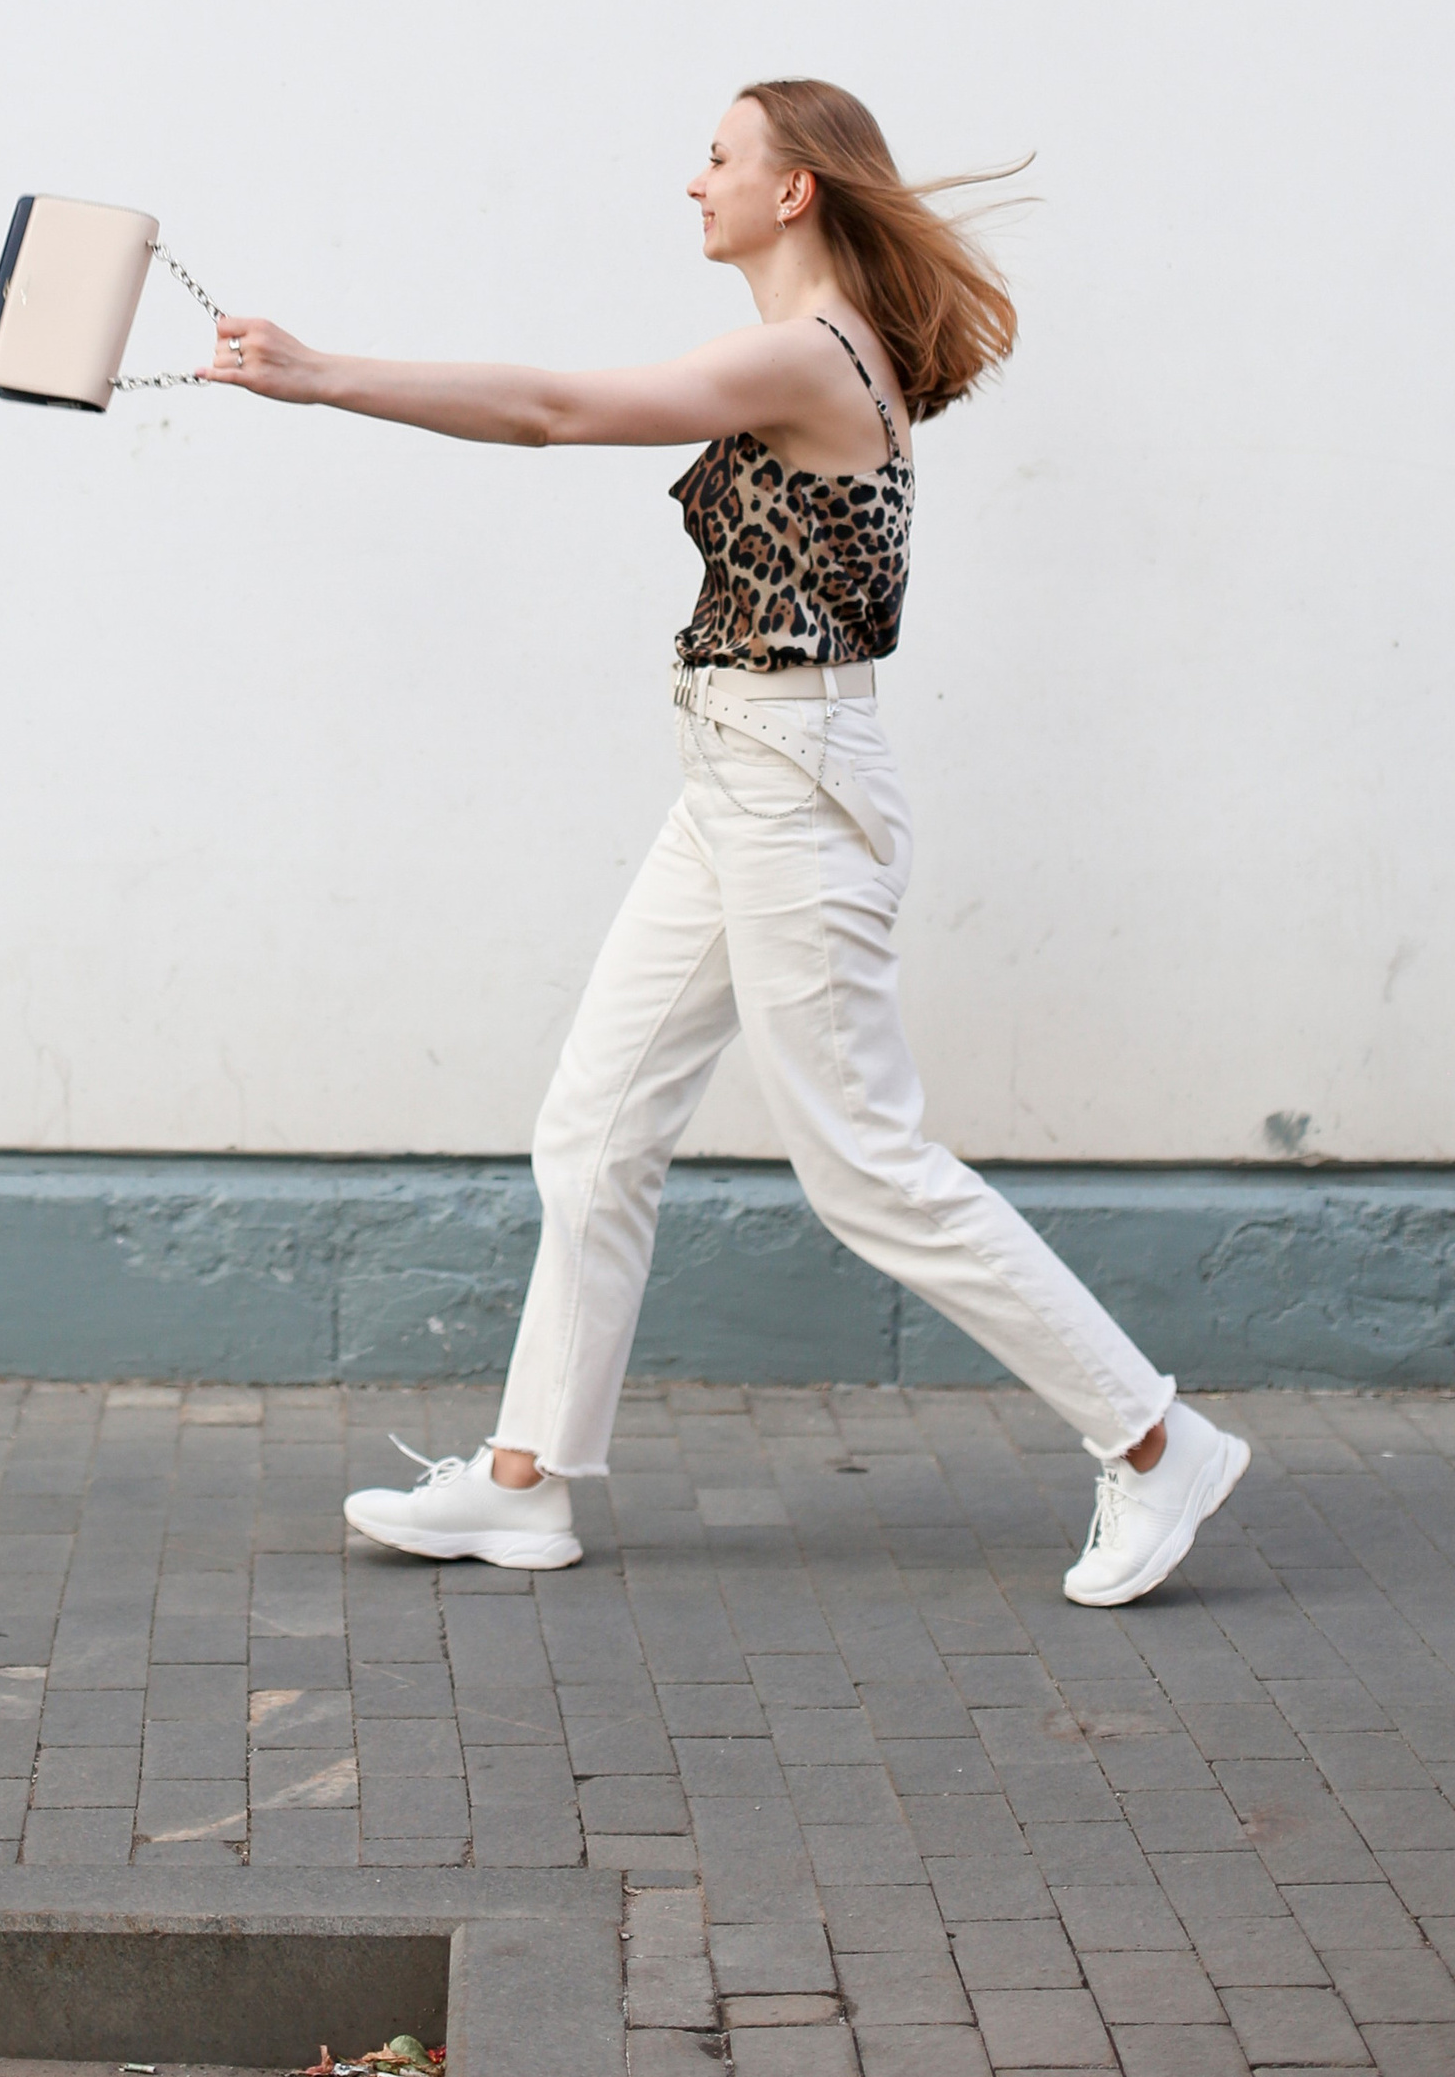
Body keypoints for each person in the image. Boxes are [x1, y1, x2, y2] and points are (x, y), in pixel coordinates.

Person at [202, 78, 1247, 1611]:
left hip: (792, 788)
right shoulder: (825, 350)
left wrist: (323, 373)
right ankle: (525, 1484)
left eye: (717, 157)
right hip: (739, 771)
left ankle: (1156, 1442)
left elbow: (553, 411)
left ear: (795, 189)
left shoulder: (805, 355)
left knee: (869, 1167)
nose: (692, 180)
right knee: (597, 1120)